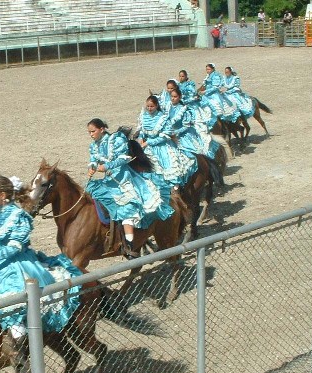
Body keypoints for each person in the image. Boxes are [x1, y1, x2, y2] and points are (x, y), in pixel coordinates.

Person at [0, 175, 84, 373]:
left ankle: (21, 352)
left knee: (12, 302)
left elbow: (14, 247)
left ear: (3, 195)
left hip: (18, 265)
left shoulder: (18, 216)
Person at [86, 118, 173, 256]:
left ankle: (130, 245)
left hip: (124, 178)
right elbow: (93, 161)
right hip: (109, 179)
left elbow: (124, 158)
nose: (91, 135)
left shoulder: (117, 139)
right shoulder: (94, 145)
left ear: (102, 129)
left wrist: (107, 166)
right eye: (89, 132)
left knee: (127, 209)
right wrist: (92, 167)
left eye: (93, 131)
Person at [136, 97, 198, 191]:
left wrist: (148, 142)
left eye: (151, 106)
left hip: (162, 147)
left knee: (169, 167)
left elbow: (165, 136)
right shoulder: (144, 116)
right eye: (148, 106)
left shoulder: (163, 118)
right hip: (147, 147)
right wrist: (140, 138)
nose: (149, 108)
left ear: (156, 106)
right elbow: (142, 131)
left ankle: (175, 190)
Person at [165, 88, 221, 161]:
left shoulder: (184, 110)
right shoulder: (168, 107)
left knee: (191, 153)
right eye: (172, 96)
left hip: (183, 135)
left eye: (175, 97)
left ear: (180, 97)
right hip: (169, 133)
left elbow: (186, 126)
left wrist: (175, 132)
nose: (173, 98)